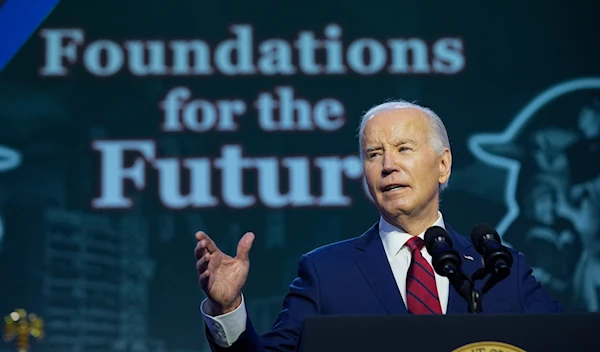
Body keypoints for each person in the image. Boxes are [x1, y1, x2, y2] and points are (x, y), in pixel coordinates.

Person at [194, 100, 564, 351]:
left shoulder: (500, 269)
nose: (388, 165)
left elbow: (569, 342)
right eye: (374, 154)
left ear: (443, 166)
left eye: (404, 149)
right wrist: (228, 310)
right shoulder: (326, 272)